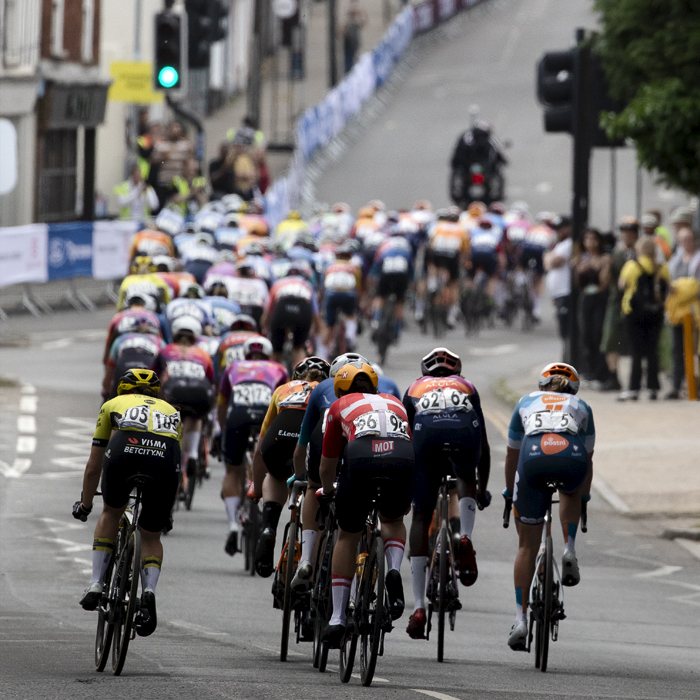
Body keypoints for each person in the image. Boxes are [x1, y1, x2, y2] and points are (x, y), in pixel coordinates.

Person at [73, 369, 181, 638]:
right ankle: (148, 591)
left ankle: (96, 583)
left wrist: (85, 505)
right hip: (164, 461)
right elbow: (180, 462)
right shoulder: (172, 411)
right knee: (152, 534)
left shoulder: (112, 405)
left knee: (111, 511)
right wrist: (165, 510)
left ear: (122, 389)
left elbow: (93, 465)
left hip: (125, 452)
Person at [319, 360, 415, 648]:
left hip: (362, 459)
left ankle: (337, 618)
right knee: (393, 520)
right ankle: (394, 568)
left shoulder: (339, 406)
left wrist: (326, 489)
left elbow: (328, 462)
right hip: (402, 458)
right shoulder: (395, 402)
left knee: (347, 534)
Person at [504, 363, 594, 651]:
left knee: (526, 547)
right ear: (573, 389)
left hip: (533, 458)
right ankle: (569, 549)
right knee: (570, 488)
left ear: (542, 387)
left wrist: (510, 493)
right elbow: (589, 461)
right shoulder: (582, 405)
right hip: (571, 457)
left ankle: (520, 619)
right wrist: (584, 497)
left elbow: (511, 455)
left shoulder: (525, 401)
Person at [403, 348, 491, 640]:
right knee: (466, 472)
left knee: (420, 515)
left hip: (426, 439)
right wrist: (482, 489)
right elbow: (485, 446)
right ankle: (464, 536)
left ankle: (418, 607)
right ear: (457, 371)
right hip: (463, 435)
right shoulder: (467, 386)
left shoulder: (414, 387)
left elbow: (403, 440)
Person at [289, 352, 367, 593]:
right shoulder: (373, 393)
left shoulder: (322, 387)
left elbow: (302, 443)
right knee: (357, 509)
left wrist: (301, 475)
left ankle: (307, 560)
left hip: (323, 440)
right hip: (362, 447)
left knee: (313, 487)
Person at [252, 357, 331, 577]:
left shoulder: (283, 389)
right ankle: (311, 566)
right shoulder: (329, 390)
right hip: (311, 440)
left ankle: (269, 525)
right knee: (313, 487)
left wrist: (256, 488)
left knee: (276, 476)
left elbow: (260, 449)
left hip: (278, 438)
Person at [217, 337, 288, 555]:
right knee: (264, 461)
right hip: (266, 415)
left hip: (238, 416)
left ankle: (232, 525)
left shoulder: (233, 367)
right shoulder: (278, 368)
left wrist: (222, 430)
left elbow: (222, 403)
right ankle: (258, 487)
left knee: (232, 470)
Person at [152, 316, 215, 491]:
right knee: (197, 416)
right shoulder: (203, 354)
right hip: (199, 392)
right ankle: (193, 453)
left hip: (173, 391)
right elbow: (211, 381)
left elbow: (153, 378)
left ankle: (164, 454)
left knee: (166, 418)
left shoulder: (165, 350)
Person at [617, 238, 669, 401]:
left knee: (636, 352)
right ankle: (653, 387)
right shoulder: (662, 268)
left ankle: (634, 388)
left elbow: (622, 285)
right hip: (655, 313)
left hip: (633, 312)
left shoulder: (632, 266)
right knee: (652, 351)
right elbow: (666, 288)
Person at [600, 217, 639, 391]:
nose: (627, 235)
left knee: (636, 342)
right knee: (610, 340)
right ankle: (613, 376)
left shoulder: (642, 253)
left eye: (630, 232)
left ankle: (636, 378)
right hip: (617, 302)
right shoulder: (616, 254)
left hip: (637, 302)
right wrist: (607, 266)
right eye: (624, 232)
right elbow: (605, 282)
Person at [262, 263, 322, 368]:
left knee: (276, 352)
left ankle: (274, 374)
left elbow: (269, 310)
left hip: (282, 309)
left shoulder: (278, 283)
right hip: (302, 309)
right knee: (299, 348)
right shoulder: (307, 284)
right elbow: (315, 312)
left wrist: (266, 326)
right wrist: (316, 329)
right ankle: (301, 377)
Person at [665, 227, 700, 399]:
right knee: (677, 349)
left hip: (695, 312)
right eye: (683, 239)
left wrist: (682, 288)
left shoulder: (698, 259)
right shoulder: (675, 260)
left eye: (689, 238)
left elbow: (695, 286)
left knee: (695, 350)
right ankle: (676, 386)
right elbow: (669, 284)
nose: (686, 242)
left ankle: (694, 386)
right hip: (677, 311)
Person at [574, 228, 611, 384]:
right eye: (587, 239)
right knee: (586, 335)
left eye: (593, 239)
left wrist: (593, 269)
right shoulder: (580, 259)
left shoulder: (604, 258)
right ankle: (588, 370)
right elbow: (578, 284)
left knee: (598, 333)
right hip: (586, 298)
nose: (590, 243)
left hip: (600, 298)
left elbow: (604, 282)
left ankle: (600, 371)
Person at [544, 215, 573, 355]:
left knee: (566, 328)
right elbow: (547, 262)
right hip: (558, 293)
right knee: (562, 328)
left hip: (565, 291)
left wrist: (549, 259)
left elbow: (554, 262)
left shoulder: (569, 243)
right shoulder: (559, 244)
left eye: (561, 228)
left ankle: (568, 357)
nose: (558, 231)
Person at [153, 120, 195, 203]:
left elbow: (190, 160)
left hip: (179, 180)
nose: (175, 131)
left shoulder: (185, 145)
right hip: (165, 180)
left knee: (178, 203)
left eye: (177, 128)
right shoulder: (161, 145)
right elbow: (154, 161)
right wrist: (163, 159)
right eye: (173, 129)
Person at [340, 0, 367, 74]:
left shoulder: (357, 17)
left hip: (354, 42)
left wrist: (360, 13)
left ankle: (351, 73)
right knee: (348, 61)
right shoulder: (346, 12)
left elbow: (363, 23)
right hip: (347, 41)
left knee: (353, 60)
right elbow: (341, 29)